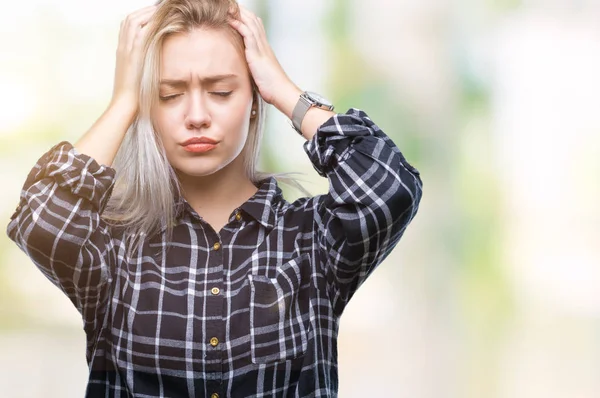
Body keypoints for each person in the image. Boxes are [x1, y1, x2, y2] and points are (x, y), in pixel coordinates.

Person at [6, 0, 423, 396]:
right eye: (169, 95)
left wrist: (285, 92)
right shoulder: (115, 249)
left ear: (254, 101)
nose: (197, 115)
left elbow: (391, 188)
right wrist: (125, 101)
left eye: (221, 91)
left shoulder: (309, 240)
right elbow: (41, 219)